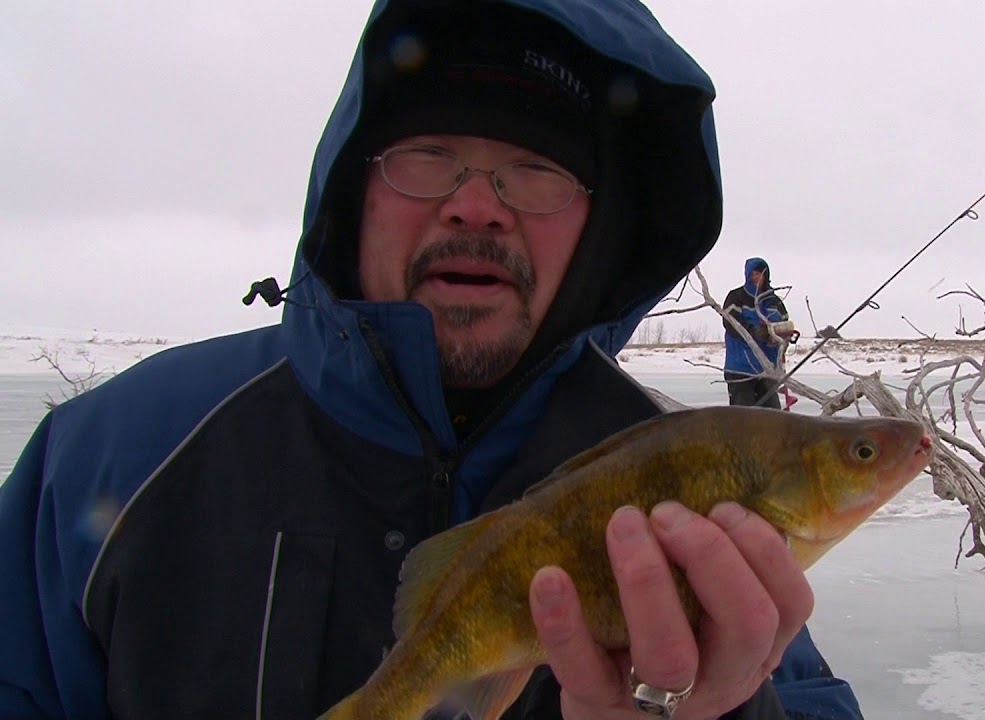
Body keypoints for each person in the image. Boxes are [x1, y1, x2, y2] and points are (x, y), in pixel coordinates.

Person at [0, 2, 865, 719]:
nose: (477, 207)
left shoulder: (678, 474)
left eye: (535, 170)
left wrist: (729, 707)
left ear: (597, 233)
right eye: (429, 157)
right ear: (352, 188)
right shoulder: (104, 461)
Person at [723, 257, 793, 408]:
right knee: (743, 417)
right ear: (747, 275)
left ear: (766, 276)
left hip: (767, 369)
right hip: (740, 369)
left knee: (773, 415)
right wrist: (753, 331)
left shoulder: (775, 302)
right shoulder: (736, 297)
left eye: (760, 274)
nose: (756, 278)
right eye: (753, 274)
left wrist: (783, 336)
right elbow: (730, 322)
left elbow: (784, 324)